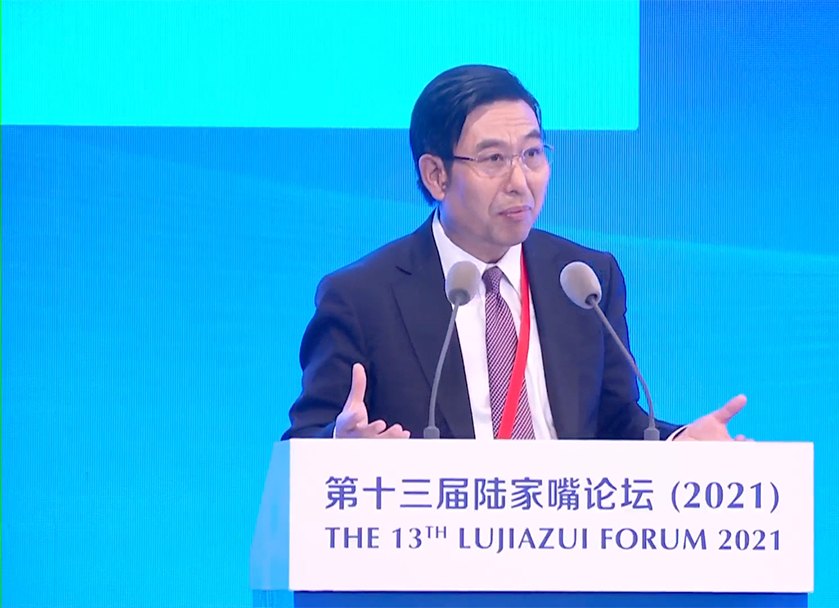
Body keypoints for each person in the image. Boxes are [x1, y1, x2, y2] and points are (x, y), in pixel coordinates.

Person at [282, 64, 750, 442]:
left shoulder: (586, 279)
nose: (520, 181)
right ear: (436, 176)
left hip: (566, 523)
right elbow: (304, 441)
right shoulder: (363, 296)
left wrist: (676, 442)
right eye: (493, 159)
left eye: (532, 154)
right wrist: (339, 447)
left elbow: (614, 422)